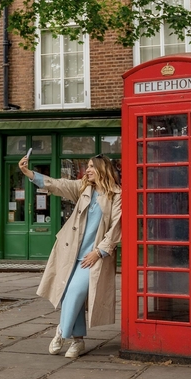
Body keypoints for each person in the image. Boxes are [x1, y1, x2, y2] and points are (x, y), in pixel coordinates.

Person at [18, 153, 122, 358]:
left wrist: (98, 252)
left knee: (74, 292)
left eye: (92, 166)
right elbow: (57, 185)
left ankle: (61, 332)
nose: (89, 170)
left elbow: (116, 228)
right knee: (67, 294)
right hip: (71, 251)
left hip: (93, 256)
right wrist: (28, 173)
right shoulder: (84, 189)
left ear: (103, 169)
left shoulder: (116, 195)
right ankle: (77, 341)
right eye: (88, 166)